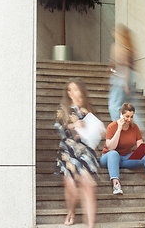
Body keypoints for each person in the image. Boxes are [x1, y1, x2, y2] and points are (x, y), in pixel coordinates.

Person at [54, 78, 103, 228]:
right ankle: (71, 211)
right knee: (71, 187)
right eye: (69, 89)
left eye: (75, 89)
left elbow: (96, 127)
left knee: (88, 187)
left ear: (81, 90)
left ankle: (90, 225)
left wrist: (100, 131)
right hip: (68, 151)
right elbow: (58, 127)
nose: (72, 92)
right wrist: (73, 125)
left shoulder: (89, 108)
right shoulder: (64, 109)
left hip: (86, 152)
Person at [100, 103, 145, 195]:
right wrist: (119, 129)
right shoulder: (112, 127)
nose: (129, 119)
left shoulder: (135, 127)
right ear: (121, 114)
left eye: (131, 117)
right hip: (108, 158)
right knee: (114, 153)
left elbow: (140, 146)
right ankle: (116, 185)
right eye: (127, 116)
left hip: (125, 159)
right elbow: (111, 147)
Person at [108, 24, 145, 136]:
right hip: (130, 78)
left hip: (121, 78)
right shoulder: (129, 48)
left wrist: (125, 84)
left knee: (114, 105)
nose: (113, 33)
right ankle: (141, 132)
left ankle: (118, 129)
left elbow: (122, 66)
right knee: (135, 108)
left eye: (115, 32)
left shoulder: (118, 47)